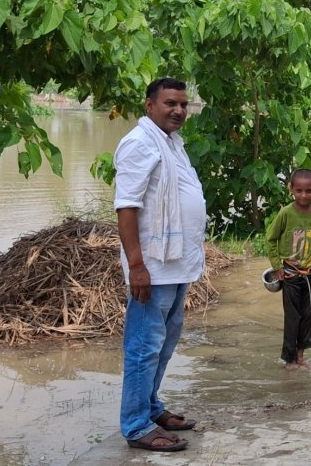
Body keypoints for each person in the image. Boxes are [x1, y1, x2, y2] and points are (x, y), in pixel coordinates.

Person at [114, 77, 206, 452]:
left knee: (163, 345)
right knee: (143, 346)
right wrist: (137, 266)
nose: (179, 110)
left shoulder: (171, 143)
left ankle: (150, 407)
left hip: (177, 265)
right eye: (170, 103)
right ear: (149, 105)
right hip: (152, 268)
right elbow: (126, 206)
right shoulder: (138, 143)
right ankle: (136, 426)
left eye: (183, 104)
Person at [264, 168, 311, 370]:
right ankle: (289, 360)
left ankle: (301, 357)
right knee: (292, 318)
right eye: (299, 191)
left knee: (308, 315)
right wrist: (277, 266)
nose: (303, 195)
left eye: (308, 191)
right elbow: (270, 239)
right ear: (291, 189)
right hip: (290, 274)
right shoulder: (286, 213)